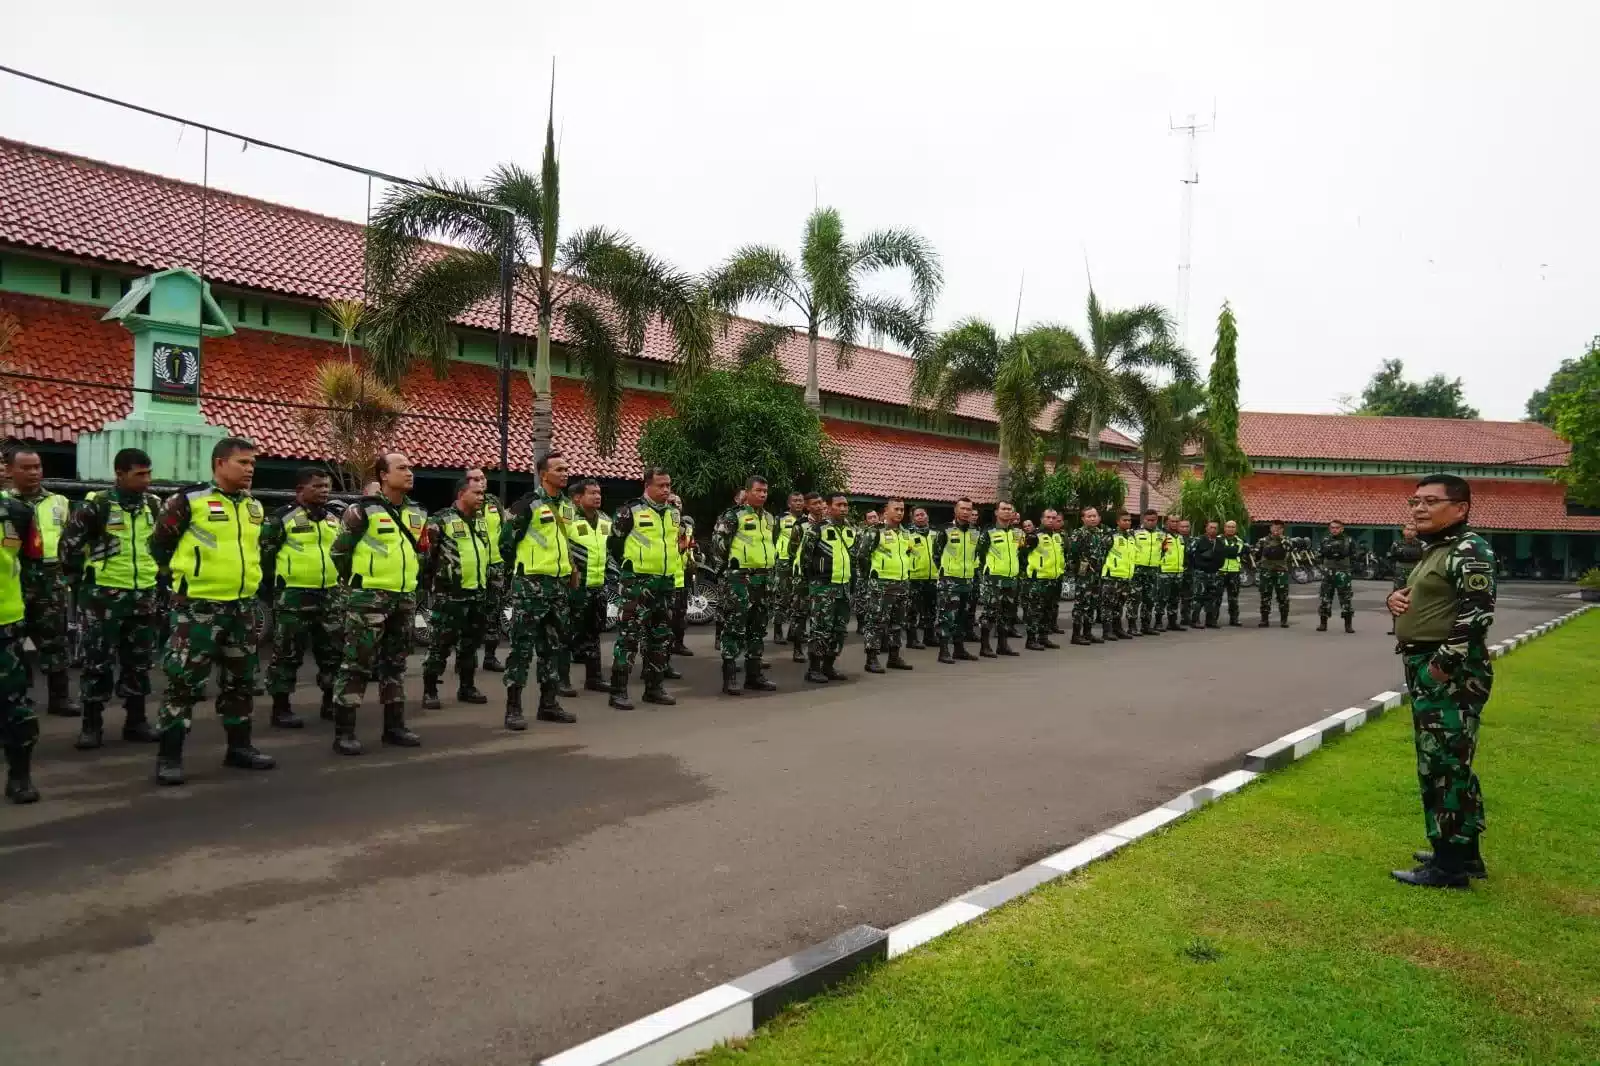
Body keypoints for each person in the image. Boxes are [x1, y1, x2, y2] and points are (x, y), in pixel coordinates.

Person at [147, 437, 277, 784]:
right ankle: (169, 757)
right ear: (220, 464)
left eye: (253, 463)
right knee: (183, 683)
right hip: (198, 610)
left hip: (242, 608)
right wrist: (182, 583)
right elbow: (159, 544)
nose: (250, 469)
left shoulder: (253, 506)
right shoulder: (188, 501)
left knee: (241, 681)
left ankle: (239, 748)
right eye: (243, 463)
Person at [1387, 474, 1496, 888]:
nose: (1419, 509)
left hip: (1451, 676)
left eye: (1430, 502)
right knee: (1452, 763)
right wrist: (1394, 600)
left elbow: (1477, 616)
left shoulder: (1470, 549)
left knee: (1443, 767)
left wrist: (1439, 668)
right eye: (1415, 501)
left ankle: (1448, 867)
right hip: (1429, 666)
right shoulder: (1437, 550)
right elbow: (1426, 599)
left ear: (1461, 507)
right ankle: (1464, 853)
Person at [56, 448, 163, 749]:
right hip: (103, 596)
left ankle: (136, 722)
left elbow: (160, 546)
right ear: (119, 474)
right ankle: (92, 726)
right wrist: (81, 581)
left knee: (139, 662)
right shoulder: (97, 506)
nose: (147, 480)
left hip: (143, 595)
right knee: (97, 662)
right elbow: (70, 547)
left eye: (148, 473)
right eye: (139, 474)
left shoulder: (154, 506)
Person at [328, 451, 429, 755]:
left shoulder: (418, 512)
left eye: (410, 467)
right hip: (368, 598)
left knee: (396, 665)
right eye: (402, 468)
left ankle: (394, 727)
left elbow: (421, 553)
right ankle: (344, 732)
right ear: (383, 475)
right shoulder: (361, 511)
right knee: (356, 664)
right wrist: (360, 584)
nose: (409, 472)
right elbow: (339, 553)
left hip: (404, 598)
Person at [259, 467, 343, 729]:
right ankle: (281, 708)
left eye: (326, 486)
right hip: (294, 596)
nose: (324, 490)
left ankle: (330, 703)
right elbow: (265, 556)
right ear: (300, 490)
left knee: (332, 653)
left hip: (330, 594)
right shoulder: (282, 519)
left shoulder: (333, 519)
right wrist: (278, 586)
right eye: (317, 486)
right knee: (287, 654)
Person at [500, 451, 578, 728]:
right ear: (544, 474)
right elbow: (506, 543)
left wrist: (570, 569)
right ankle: (513, 708)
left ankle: (549, 704)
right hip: (530, 586)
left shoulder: (568, 506)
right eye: (559, 469)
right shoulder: (527, 504)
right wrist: (523, 570)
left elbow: (565, 542)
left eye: (566, 468)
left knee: (553, 648)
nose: (565, 473)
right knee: (522, 648)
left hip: (558, 586)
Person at [4, 447, 78, 716]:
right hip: (15, 577)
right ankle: (19, 698)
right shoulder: (4, 504)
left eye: (37, 466)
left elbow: (71, 539)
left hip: (50, 577)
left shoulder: (59, 501)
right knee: (14, 642)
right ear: (10, 470)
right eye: (26, 467)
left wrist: (67, 572)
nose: (34, 472)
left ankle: (60, 698)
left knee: (55, 639)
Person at [608, 468, 680, 710]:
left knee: (659, 638)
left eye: (668, 485)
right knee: (629, 637)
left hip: (664, 583)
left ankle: (654, 688)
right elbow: (615, 543)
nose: (666, 490)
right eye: (660, 485)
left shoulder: (673, 513)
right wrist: (630, 569)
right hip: (637, 584)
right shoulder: (630, 511)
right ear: (647, 486)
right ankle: (618, 691)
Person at [419, 476, 493, 712]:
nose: (481, 497)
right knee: (441, 644)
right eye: (477, 493)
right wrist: (435, 584)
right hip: (450, 595)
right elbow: (426, 557)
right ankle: (430, 689)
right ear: (461, 494)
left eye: (482, 494)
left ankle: (467, 686)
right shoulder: (440, 521)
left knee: (470, 644)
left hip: (477, 592)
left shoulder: (481, 521)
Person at [711, 476, 780, 694]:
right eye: (758, 490)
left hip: (763, 579)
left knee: (758, 628)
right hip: (739, 579)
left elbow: (772, 544)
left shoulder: (769, 519)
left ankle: (754, 675)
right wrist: (727, 574)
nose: (762, 495)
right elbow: (718, 545)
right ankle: (730, 677)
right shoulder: (733, 516)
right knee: (734, 627)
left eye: (765, 491)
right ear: (747, 492)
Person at [2, 491, 45, 802]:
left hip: (6, 626)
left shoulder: (17, 512)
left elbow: (32, 567)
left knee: (17, 709)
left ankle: (19, 776)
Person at [799, 492, 855, 683]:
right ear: (828, 507)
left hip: (843, 587)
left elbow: (853, 558)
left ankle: (829, 666)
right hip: (823, 587)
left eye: (846, 505)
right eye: (839, 505)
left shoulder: (850, 529)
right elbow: (804, 558)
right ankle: (814, 669)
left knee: (839, 630)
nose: (843, 509)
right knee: (820, 629)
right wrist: (814, 582)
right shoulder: (818, 529)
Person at [854, 498, 914, 673]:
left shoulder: (904, 533)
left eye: (902, 509)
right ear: (885, 512)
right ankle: (871, 658)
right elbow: (862, 556)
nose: (900, 512)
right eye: (896, 509)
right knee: (875, 622)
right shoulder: (875, 532)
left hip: (901, 582)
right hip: (881, 583)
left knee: (897, 622)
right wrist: (871, 576)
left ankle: (894, 657)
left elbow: (907, 554)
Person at [565, 478, 613, 695]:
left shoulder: (604, 520)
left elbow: (608, 551)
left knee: (594, 633)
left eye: (599, 493)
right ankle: (561, 680)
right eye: (592, 493)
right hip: (575, 586)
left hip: (598, 585)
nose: (597, 497)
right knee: (568, 633)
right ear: (577, 498)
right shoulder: (568, 519)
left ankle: (593, 678)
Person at [466, 468, 509, 674]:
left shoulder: (494, 503)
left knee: (493, 612)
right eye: (475, 479)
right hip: (473, 568)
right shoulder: (464, 503)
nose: (480, 481)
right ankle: (467, 658)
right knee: (471, 615)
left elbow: (503, 529)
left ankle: (490, 657)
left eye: (482, 478)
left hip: (495, 566)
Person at [932, 497, 981, 664]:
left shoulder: (975, 531)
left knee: (962, 616)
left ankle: (959, 649)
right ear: (956, 510)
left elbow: (976, 554)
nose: (966, 512)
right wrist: (946, 572)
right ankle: (944, 650)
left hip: (967, 580)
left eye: (969, 509)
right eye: (963, 509)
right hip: (949, 581)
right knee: (946, 616)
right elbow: (936, 555)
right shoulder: (944, 530)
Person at [788, 493, 826, 663]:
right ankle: (797, 648)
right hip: (803, 577)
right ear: (807, 507)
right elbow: (792, 550)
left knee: (819, 614)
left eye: (820, 503)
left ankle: (818, 650)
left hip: (822, 576)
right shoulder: (800, 525)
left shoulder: (828, 525)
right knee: (800, 613)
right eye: (814, 504)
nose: (819, 506)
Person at [1021, 509, 1064, 651]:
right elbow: (1022, 555)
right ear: (1041, 519)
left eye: (1053, 517)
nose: (1051, 520)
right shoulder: (1034, 536)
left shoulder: (1057, 537)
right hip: (1038, 579)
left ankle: (1043, 637)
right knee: (1035, 611)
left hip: (1053, 578)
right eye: (1048, 517)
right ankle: (1031, 640)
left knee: (1048, 611)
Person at [1067, 506, 1108, 646]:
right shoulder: (1079, 534)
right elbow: (1072, 554)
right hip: (1084, 575)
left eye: (1094, 516)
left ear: (1099, 518)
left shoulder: (1100, 533)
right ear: (1083, 519)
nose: (1092, 518)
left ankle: (1088, 632)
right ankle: (1076, 635)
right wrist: (1078, 570)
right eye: (1089, 516)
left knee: (1092, 604)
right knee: (1081, 605)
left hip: (1096, 575)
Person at [771, 492, 807, 643]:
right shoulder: (780, 519)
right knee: (782, 597)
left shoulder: (807, 521)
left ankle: (794, 632)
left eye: (801, 500)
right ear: (789, 504)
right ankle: (778, 631)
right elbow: (772, 539)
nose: (798, 503)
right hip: (784, 562)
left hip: (801, 563)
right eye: (795, 501)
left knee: (799, 598)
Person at [1099, 511, 1136, 640]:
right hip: (1112, 576)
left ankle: (1118, 628)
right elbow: (1101, 554)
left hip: (1126, 576)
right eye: (1124, 520)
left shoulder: (1131, 537)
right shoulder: (1111, 536)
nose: (1127, 522)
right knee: (1108, 605)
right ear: (1118, 522)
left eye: (1129, 520)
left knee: (1119, 605)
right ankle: (1107, 631)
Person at [904, 507, 937, 650]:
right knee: (912, 610)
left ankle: (929, 637)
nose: (920, 517)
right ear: (913, 519)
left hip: (933, 577)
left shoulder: (936, 534)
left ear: (927, 516)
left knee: (931, 609)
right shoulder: (908, 535)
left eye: (922, 514)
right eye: (917, 515)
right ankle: (912, 639)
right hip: (914, 578)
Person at [1316, 519, 1357, 633]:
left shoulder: (1348, 540)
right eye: (1332, 527)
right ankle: (1323, 624)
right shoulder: (1325, 540)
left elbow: (1354, 555)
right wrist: (1322, 567)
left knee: (1346, 598)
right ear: (1329, 529)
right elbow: (1319, 555)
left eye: (1337, 527)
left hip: (1343, 572)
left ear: (1342, 528)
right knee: (1325, 598)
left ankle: (1348, 625)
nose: (1334, 530)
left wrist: (1348, 569)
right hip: (1328, 572)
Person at [668, 497, 695, 664]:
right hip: (668, 576)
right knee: (666, 617)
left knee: (681, 613)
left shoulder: (688, 526)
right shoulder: (666, 525)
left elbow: (689, 545)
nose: (676, 505)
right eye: (672, 503)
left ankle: (679, 643)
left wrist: (693, 557)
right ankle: (666, 651)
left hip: (682, 575)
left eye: (678, 503)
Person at [1130, 509, 1164, 636]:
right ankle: (1132, 626)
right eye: (1148, 520)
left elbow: (1165, 551)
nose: (1151, 522)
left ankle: (1146, 625)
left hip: (1153, 570)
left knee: (1149, 600)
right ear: (1143, 520)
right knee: (1134, 599)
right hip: (1138, 570)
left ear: (1157, 520)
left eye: (1153, 520)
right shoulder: (1134, 533)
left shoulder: (1162, 535)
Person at [1387, 523, 1425, 635]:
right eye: (1407, 529)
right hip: (1400, 572)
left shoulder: (1421, 545)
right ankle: (1396, 627)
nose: (1410, 532)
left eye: (1413, 530)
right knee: (1397, 597)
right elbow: (1391, 558)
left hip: (1415, 571)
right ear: (1403, 531)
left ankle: (1416, 627)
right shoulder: (1397, 544)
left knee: (1416, 597)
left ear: (1417, 532)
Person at [1253, 520, 1292, 628]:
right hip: (1266, 571)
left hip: (1281, 571)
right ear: (1270, 528)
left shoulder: (1286, 540)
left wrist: (1281, 538)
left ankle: (1284, 620)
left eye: (1279, 528)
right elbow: (1256, 553)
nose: (1276, 530)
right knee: (1265, 595)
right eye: (1274, 528)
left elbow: (1289, 549)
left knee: (1283, 597)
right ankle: (1264, 619)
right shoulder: (1263, 541)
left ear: (1282, 530)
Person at [1188, 520, 1224, 628]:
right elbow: (1190, 553)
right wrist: (1197, 566)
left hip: (1214, 573)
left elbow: (1222, 556)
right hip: (1201, 573)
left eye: (1215, 528)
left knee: (1213, 597)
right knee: (1198, 597)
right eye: (1211, 527)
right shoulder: (1199, 540)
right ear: (1206, 528)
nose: (1213, 530)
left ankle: (1211, 620)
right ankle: (1195, 620)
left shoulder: (1219, 542)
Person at [1158, 515, 1189, 632]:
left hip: (1178, 572)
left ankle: (1172, 622)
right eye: (1172, 521)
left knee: (1174, 599)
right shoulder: (1162, 536)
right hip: (1164, 572)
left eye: (1177, 521)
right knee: (1162, 599)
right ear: (1166, 522)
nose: (1175, 524)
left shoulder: (1180, 537)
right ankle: (1158, 622)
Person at [1218, 520, 1246, 626]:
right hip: (1221, 571)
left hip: (1234, 572)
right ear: (1224, 528)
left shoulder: (1239, 540)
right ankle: (1213, 619)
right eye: (1228, 527)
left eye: (1233, 527)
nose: (1231, 529)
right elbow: (1221, 551)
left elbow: (1236, 552)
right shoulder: (1218, 539)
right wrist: (1229, 551)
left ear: (1236, 529)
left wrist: (1228, 551)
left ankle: (1234, 619)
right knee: (1216, 597)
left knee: (1233, 598)